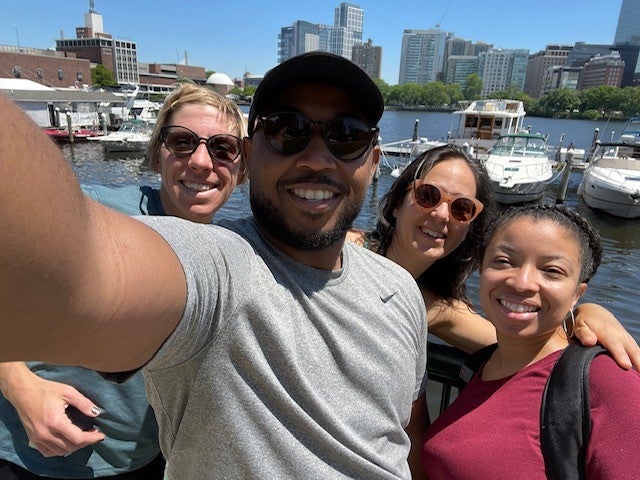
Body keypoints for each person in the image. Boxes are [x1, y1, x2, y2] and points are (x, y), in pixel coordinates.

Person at [0, 52, 429, 479]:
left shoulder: (400, 289)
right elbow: (73, 266)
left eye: (347, 134)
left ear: (372, 161)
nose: (317, 159)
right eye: (287, 130)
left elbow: (401, 438)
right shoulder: (219, 262)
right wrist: (18, 381)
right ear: (251, 154)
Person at [0, 83, 247, 479]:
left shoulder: (234, 249)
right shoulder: (93, 210)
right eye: (182, 142)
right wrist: (19, 386)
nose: (202, 161)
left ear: (241, 167)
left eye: (222, 148)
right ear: (158, 153)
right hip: (31, 456)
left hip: (146, 461)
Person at [349, 145, 640, 365]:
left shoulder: (434, 306)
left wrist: (581, 313)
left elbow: (532, 348)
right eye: (428, 196)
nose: (441, 214)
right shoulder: (344, 250)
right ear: (398, 203)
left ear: (469, 229)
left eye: (461, 208)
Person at [421, 204, 640, 479]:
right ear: (481, 268)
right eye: (503, 261)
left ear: (577, 293)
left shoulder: (607, 381)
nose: (522, 282)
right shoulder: (483, 366)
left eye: (551, 271)